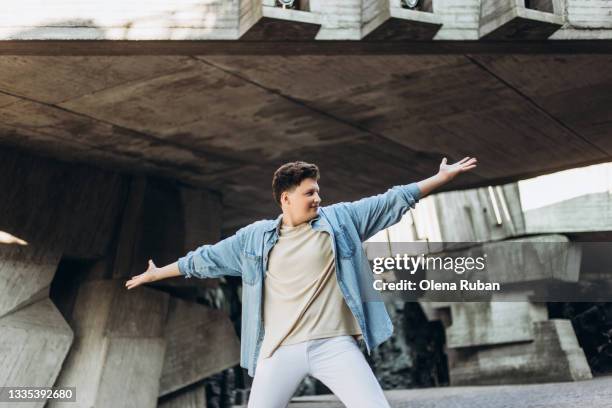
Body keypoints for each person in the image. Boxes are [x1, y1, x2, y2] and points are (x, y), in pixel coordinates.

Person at [125, 156, 477, 407]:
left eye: (318, 191)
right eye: (309, 193)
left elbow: (391, 200)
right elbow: (206, 258)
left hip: (334, 345)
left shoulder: (340, 221)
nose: (317, 198)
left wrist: (440, 178)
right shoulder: (255, 239)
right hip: (279, 351)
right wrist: (159, 273)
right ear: (286, 198)